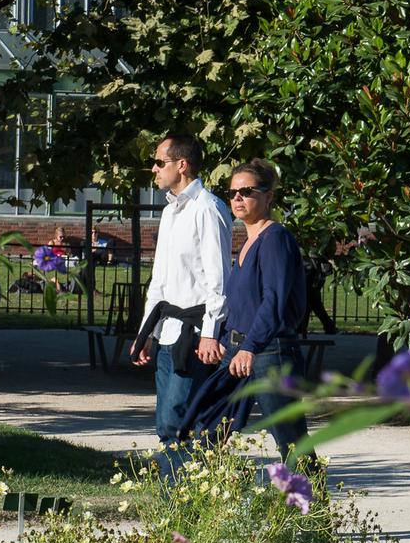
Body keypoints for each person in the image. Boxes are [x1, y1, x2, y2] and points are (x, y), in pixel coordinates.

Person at [181, 158, 310, 458]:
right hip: (236, 350)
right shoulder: (248, 242)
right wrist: (221, 338)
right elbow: (242, 303)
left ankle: (309, 489)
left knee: (290, 440)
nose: (238, 198)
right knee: (208, 428)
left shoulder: (275, 239)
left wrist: (250, 347)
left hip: (269, 353)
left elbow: (273, 301)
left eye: (247, 191)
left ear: (268, 196)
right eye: (232, 193)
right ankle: (204, 486)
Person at [130, 134, 232, 447]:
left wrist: (211, 333)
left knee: (178, 424)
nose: (154, 169)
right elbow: (159, 280)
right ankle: (177, 477)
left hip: (195, 334)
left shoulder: (207, 208)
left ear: (182, 165)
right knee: (167, 422)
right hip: (167, 331)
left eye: (159, 162)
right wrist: (146, 332)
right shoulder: (170, 212)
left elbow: (218, 279)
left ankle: (184, 476)